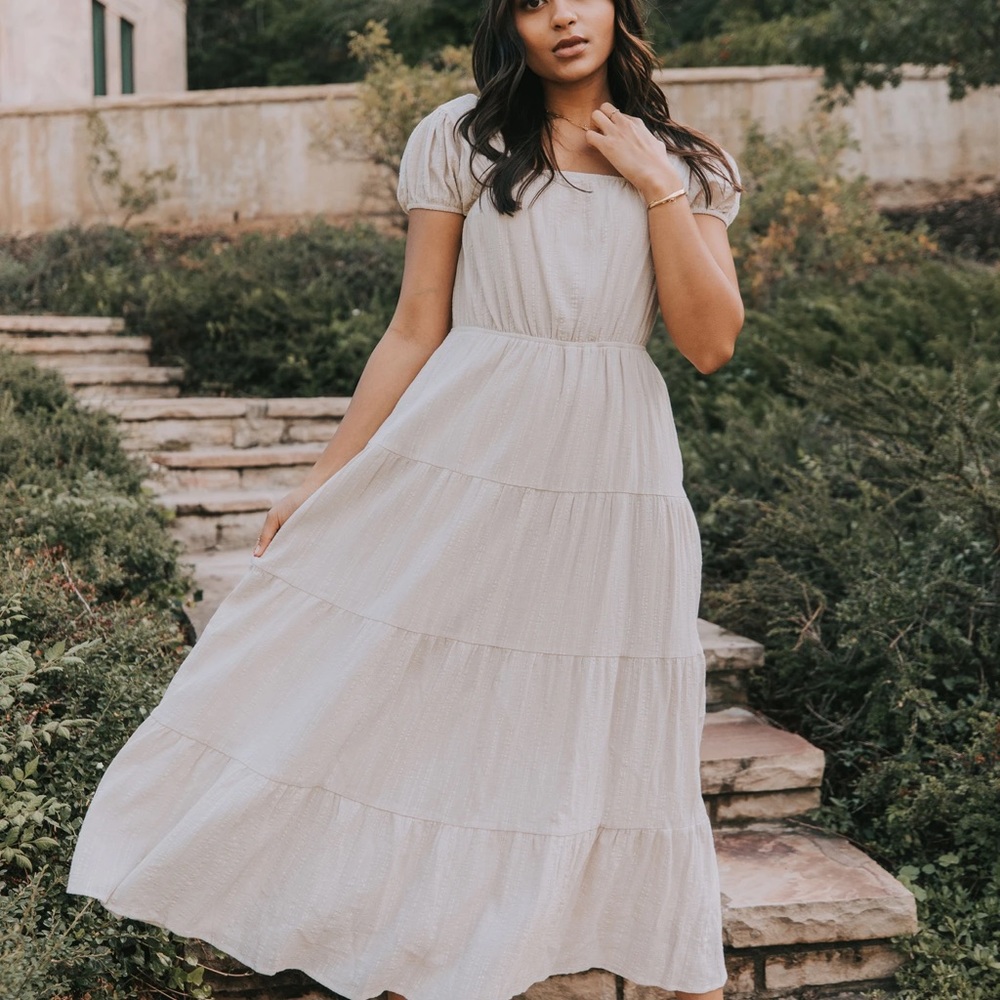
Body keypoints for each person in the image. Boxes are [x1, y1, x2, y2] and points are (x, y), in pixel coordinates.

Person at [68, 1, 745, 998]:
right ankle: (421, 935)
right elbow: (414, 327)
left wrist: (654, 185)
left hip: (612, 467)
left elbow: (709, 342)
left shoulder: (691, 162)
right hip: (463, 445)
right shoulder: (462, 139)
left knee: (588, 697)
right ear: (507, 22)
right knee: (430, 686)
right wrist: (322, 479)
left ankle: (554, 929)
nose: (560, 15)